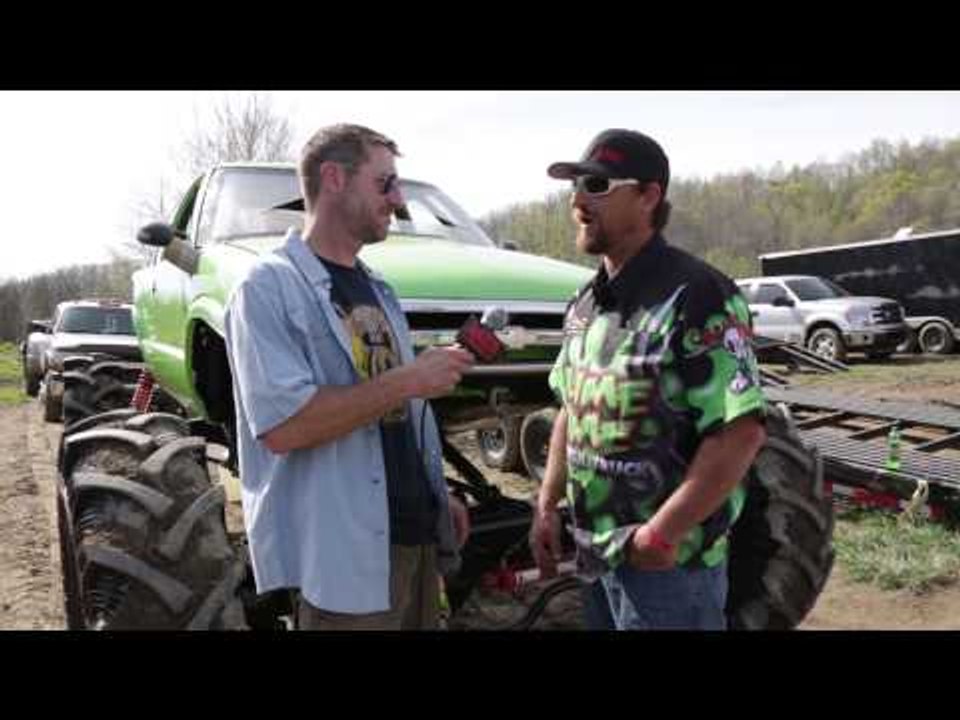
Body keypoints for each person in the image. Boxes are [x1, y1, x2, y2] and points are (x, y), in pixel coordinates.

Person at [224, 124, 473, 630]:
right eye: (385, 183)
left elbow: (395, 420)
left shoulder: (378, 288)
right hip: (345, 557)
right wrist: (410, 379)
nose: (398, 199)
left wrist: (434, 493)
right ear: (334, 178)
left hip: (413, 537)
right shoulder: (267, 287)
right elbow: (284, 427)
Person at [530, 128, 768, 630]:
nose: (577, 200)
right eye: (574, 187)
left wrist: (662, 533)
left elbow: (739, 432)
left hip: (668, 569)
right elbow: (571, 411)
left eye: (596, 186)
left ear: (648, 196)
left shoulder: (697, 295)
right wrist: (547, 505)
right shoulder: (585, 304)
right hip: (596, 558)